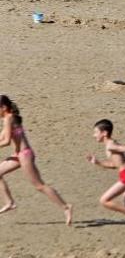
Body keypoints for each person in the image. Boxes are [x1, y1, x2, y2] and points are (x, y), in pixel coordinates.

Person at [0, 95, 73, 224]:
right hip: (19, 155)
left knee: (39, 185)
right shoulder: (10, 118)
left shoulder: (9, 118)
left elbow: (5, 141)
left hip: (25, 155)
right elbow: (3, 137)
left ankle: (65, 207)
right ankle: (9, 202)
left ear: (4, 107)